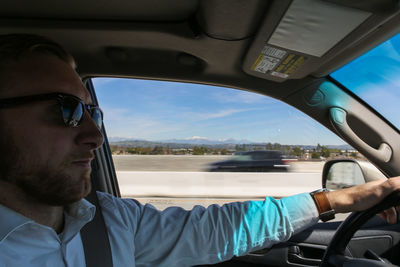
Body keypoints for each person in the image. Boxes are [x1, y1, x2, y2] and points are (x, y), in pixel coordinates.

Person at [0, 33, 399, 267]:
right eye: (65, 110)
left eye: (93, 112)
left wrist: (340, 198)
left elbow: (219, 228)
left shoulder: (107, 220)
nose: (95, 135)